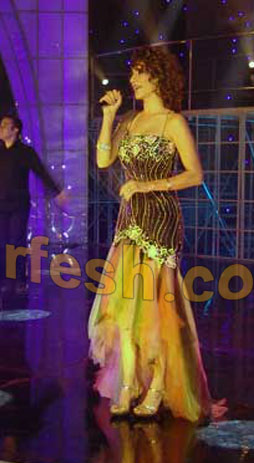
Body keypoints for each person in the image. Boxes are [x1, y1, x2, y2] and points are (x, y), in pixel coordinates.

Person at [89, 47, 221, 422]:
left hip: (160, 220)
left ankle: (159, 386)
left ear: (157, 77)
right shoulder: (129, 120)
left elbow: (195, 175)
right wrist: (109, 117)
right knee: (124, 308)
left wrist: (146, 186)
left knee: (155, 308)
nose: (133, 79)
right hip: (129, 221)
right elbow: (103, 160)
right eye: (133, 73)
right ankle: (129, 384)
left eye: (140, 73)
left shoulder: (172, 122)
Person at [0, 115, 68, 288]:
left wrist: (57, 192)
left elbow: (40, 171)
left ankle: (19, 278)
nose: (0, 128)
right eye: (0, 125)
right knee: (4, 242)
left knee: (17, 240)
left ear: (15, 130)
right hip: (1, 204)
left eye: (5, 125)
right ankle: (7, 277)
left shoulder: (25, 152)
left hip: (18, 204)